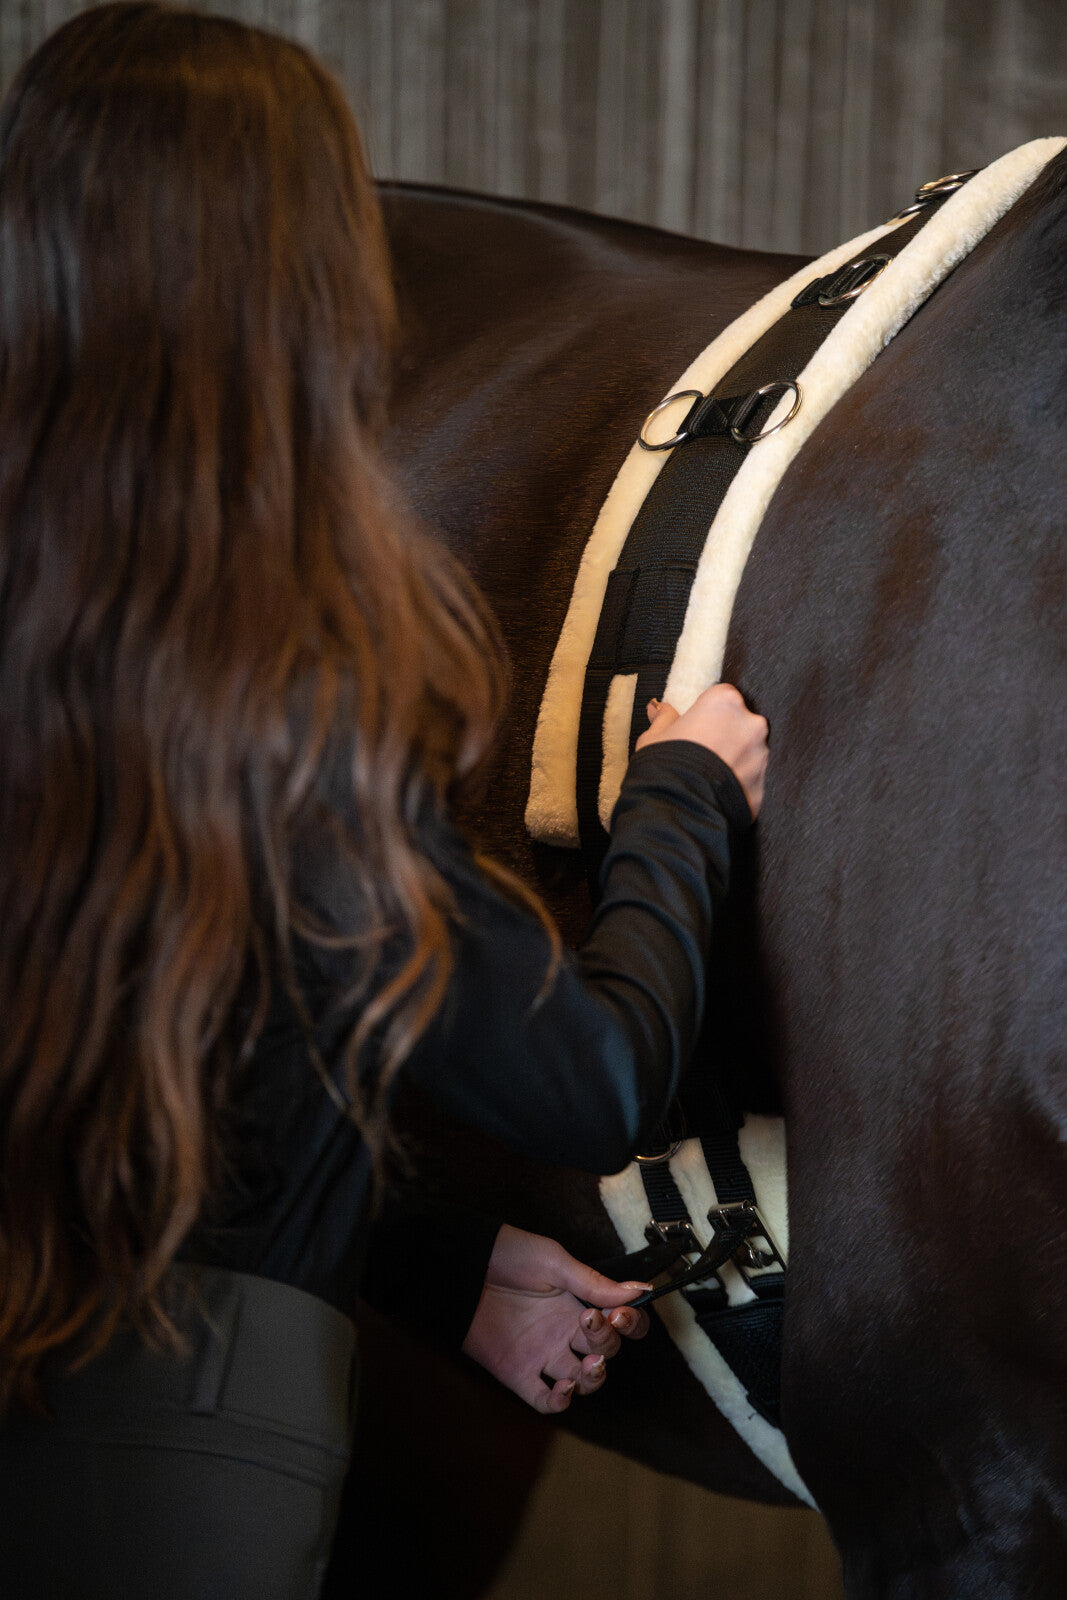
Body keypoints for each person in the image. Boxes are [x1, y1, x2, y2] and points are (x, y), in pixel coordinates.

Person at [0, 6, 769, 1598]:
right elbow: (594, 1077)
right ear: (300, 300)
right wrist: (684, 799)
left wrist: (439, 1270)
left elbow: (152, 1123)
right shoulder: (268, 710)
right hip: (192, 1482)